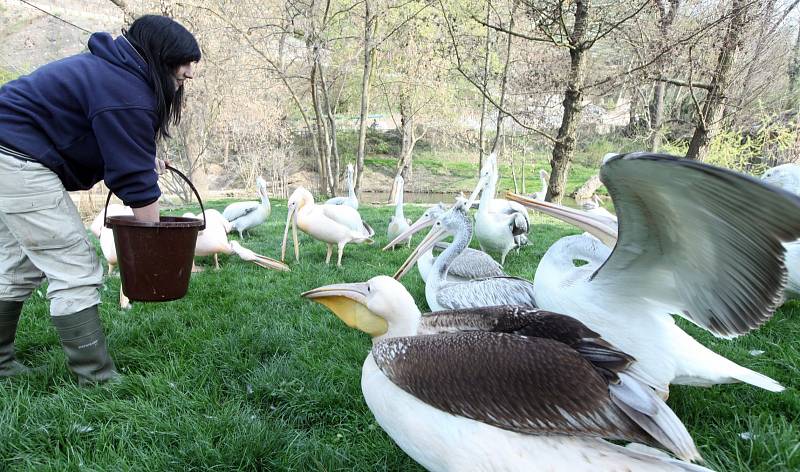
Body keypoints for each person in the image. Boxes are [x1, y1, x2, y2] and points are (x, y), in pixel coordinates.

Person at [0, 15, 200, 385]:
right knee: (75, 266)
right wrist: (153, 245)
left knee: (18, 264)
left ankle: (1, 365)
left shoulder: (113, 74)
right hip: (15, 158)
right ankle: (97, 380)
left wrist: (145, 158)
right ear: (158, 56)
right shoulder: (125, 91)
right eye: (182, 62)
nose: (189, 72)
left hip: (8, 152)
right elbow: (134, 182)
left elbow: (109, 138)